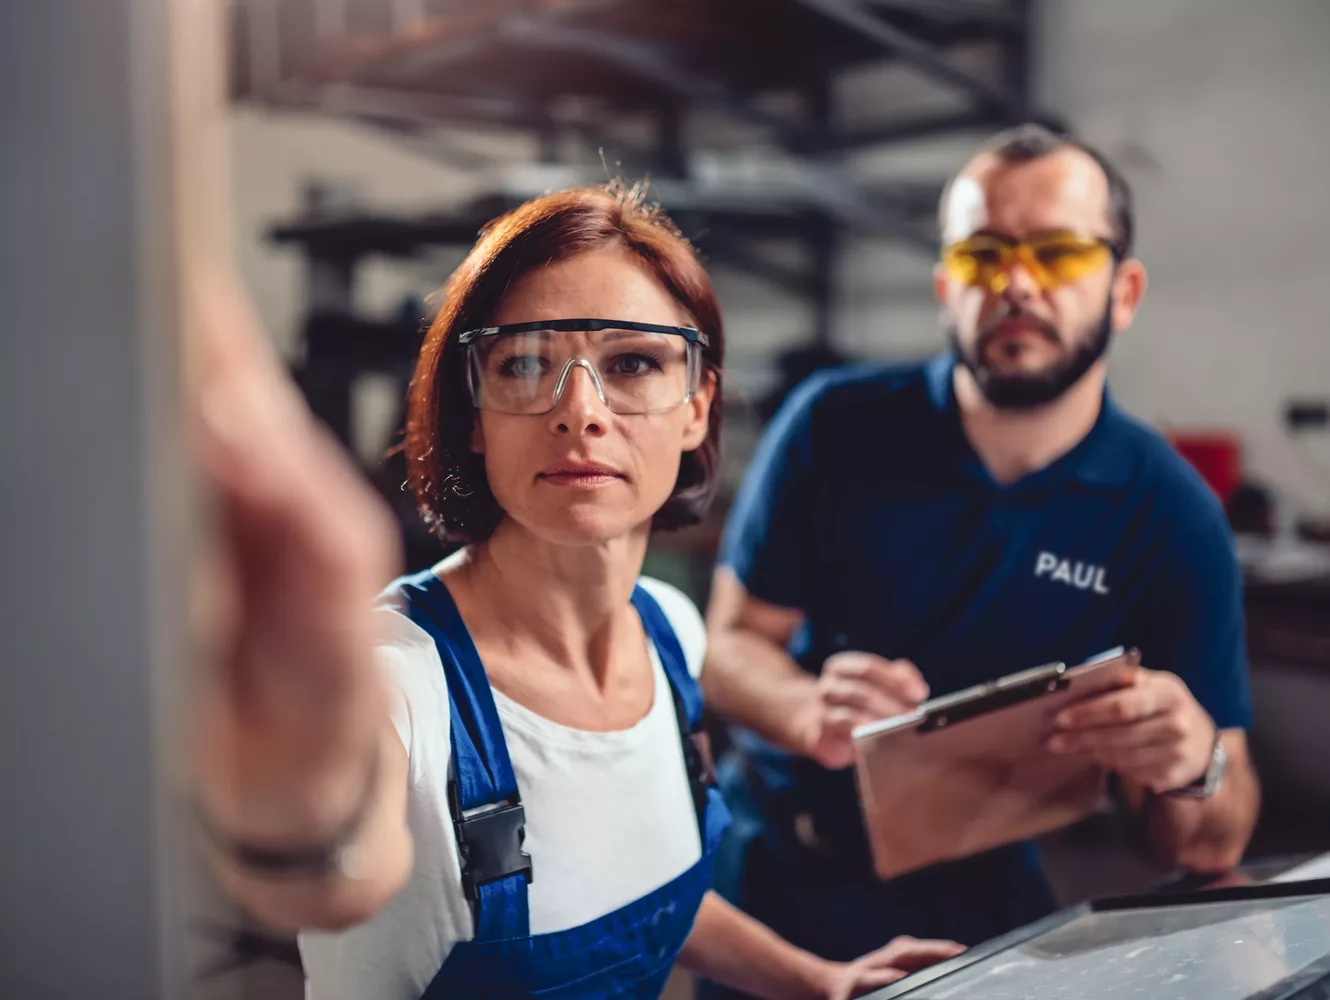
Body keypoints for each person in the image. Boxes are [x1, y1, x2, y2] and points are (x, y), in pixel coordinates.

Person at [189, 184, 963, 1000]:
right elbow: (333, 873)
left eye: (632, 363)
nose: (581, 412)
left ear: (697, 408)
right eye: (526, 365)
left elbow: (643, 887)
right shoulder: (404, 678)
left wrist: (817, 980)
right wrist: (295, 804)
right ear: (475, 415)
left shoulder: (669, 633)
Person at [700, 125, 1261, 994]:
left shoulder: (1171, 515)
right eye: (983, 254)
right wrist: (806, 707)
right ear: (945, 287)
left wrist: (1195, 764)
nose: (1017, 283)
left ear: (1124, 291)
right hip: (778, 876)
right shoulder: (835, 427)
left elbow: (1213, 842)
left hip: (980, 904)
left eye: (1059, 252)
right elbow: (728, 649)